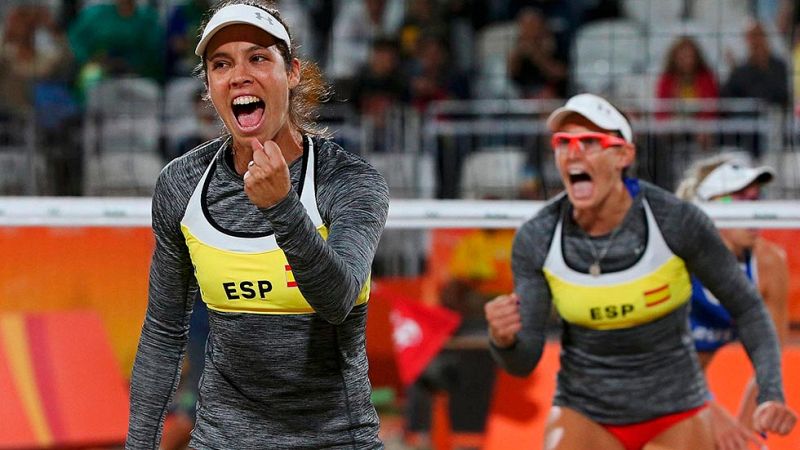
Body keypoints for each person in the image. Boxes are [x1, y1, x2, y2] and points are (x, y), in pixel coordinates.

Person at [125, 1, 389, 448]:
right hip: (222, 438)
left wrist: (283, 209)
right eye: (221, 64)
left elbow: (338, 300)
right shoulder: (182, 184)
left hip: (334, 440)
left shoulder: (349, 181)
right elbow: (163, 333)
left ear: (293, 73)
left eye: (258, 58)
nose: (240, 75)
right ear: (209, 86)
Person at [484, 93, 796, 450]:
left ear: (623, 155)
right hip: (587, 406)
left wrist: (766, 402)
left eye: (590, 142)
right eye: (563, 142)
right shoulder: (538, 237)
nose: (574, 153)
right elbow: (523, 362)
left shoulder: (679, 226)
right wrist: (503, 339)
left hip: (675, 406)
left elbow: (752, 313)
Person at [676, 156, 790, 449]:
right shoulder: (673, 260)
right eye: (738, 200)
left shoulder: (768, 264)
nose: (751, 211)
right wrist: (712, 413)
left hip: (688, 383)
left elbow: (768, 363)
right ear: (708, 208)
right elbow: (649, 361)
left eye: (755, 199)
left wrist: (745, 434)